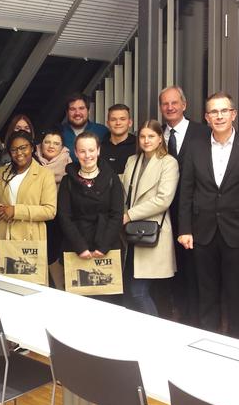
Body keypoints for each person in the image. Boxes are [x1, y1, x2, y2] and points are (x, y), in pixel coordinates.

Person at [177, 92, 239, 340]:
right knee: (206, 293)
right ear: (206, 118)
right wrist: (184, 228)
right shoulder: (195, 148)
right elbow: (186, 190)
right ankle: (209, 342)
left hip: (238, 233)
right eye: (213, 112)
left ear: (233, 114)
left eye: (224, 111)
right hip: (202, 232)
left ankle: (238, 345)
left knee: (236, 295)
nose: (219, 116)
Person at [160, 86, 210, 326]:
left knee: (195, 269)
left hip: (195, 214)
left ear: (184, 104)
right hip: (163, 214)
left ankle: (196, 319)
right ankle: (175, 315)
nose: (170, 108)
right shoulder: (155, 135)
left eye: (174, 103)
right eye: (165, 104)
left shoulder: (203, 133)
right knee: (171, 267)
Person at [120, 120, 179, 316]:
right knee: (130, 292)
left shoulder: (168, 163)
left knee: (139, 292)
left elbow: (163, 199)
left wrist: (129, 214)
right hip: (130, 234)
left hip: (151, 230)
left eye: (151, 136)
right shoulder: (132, 160)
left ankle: (156, 336)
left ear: (160, 138)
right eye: (143, 136)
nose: (146, 141)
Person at [58, 132, 124, 302]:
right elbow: (64, 216)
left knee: (109, 303)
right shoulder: (68, 181)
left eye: (91, 150)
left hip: (106, 246)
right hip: (76, 246)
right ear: (75, 152)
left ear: (98, 151)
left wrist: (103, 247)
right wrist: (80, 247)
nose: (87, 156)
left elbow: (117, 215)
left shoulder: (112, 178)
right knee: (78, 303)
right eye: (82, 151)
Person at [0, 131, 57, 271]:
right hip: (3, 235)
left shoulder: (45, 174)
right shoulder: (1, 172)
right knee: (3, 284)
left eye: (23, 148)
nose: (19, 153)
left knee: (30, 285)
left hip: (30, 238)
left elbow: (50, 210)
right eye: (13, 149)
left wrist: (16, 211)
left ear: (32, 148)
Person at [35, 128, 72, 289]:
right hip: (35, 219)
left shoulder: (70, 166)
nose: (51, 146)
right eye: (47, 142)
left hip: (59, 221)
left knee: (55, 259)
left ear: (62, 147)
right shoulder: (30, 162)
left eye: (56, 143)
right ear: (40, 145)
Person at [61, 93, 109, 162]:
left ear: (88, 111)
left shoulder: (102, 131)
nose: (77, 113)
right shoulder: (59, 132)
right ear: (67, 112)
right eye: (72, 109)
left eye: (81, 108)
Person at [101, 104, 136, 175]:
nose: (118, 123)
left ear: (130, 123)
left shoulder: (138, 145)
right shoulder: (99, 146)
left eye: (122, 119)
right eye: (113, 119)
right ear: (108, 123)